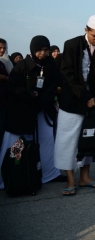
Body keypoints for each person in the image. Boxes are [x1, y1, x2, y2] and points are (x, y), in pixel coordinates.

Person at [54, 14, 95, 196]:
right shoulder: (71, 45)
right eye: (94, 36)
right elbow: (67, 74)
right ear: (86, 30)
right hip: (72, 100)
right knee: (68, 139)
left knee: (89, 138)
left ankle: (85, 177)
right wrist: (85, 96)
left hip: (94, 100)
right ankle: (70, 179)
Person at [0, 36, 63, 189]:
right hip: (21, 111)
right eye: (40, 50)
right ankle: (5, 177)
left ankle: (49, 173)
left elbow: (54, 83)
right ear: (33, 50)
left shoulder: (50, 65)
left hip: (42, 109)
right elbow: (12, 87)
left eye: (46, 50)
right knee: (14, 142)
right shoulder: (21, 66)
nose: (43, 53)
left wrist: (45, 98)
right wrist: (28, 93)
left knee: (47, 139)